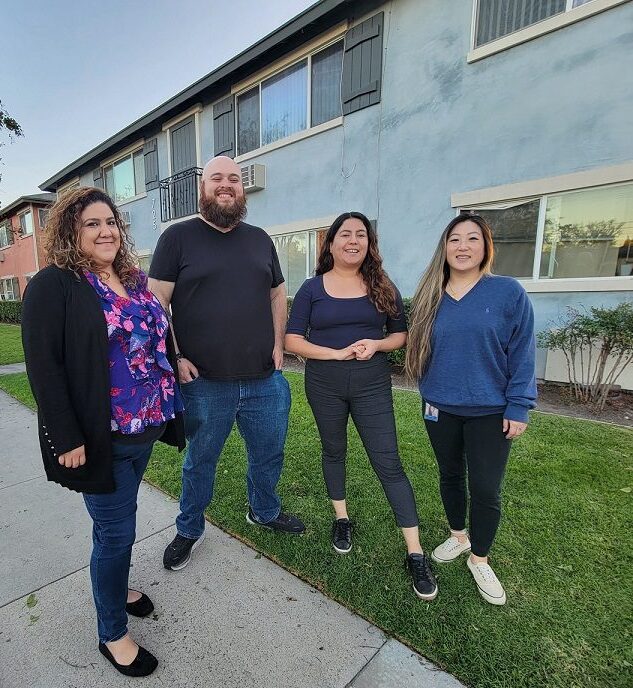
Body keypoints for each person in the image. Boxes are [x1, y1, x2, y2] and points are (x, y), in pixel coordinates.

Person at [21, 188, 185, 676]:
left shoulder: (132, 279)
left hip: (145, 430)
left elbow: (156, 335)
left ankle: (118, 586)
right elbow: (43, 367)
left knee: (121, 522)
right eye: (92, 223)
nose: (105, 231)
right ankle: (111, 632)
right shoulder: (55, 284)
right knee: (115, 533)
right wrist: (66, 436)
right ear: (72, 230)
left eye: (110, 222)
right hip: (102, 438)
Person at [149, 156, 305, 572]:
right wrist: (175, 355)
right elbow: (155, 302)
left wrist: (278, 345)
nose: (226, 185)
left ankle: (265, 511)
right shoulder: (177, 238)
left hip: (264, 379)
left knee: (269, 454)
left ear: (242, 189)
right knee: (200, 460)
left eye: (234, 179)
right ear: (203, 188)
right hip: (204, 383)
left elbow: (277, 294)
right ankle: (189, 528)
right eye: (217, 178)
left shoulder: (259, 239)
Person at [285, 212, 438, 601]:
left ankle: (415, 552)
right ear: (331, 243)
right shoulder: (311, 288)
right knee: (334, 450)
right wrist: (334, 355)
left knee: (388, 462)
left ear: (369, 244)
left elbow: (400, 334)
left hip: (371, 385)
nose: (353, 240)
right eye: (345, 234)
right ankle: (341, 518)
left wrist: (377, 344)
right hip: (324, 384)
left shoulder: (380, 284)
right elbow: (292, 340)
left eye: (361, 235)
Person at [405, 212, 536, 606]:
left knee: (485, 487)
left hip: (491, 410)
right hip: (439, 406)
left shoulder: (507, 292)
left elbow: (523, 352)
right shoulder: (431, 293)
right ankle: (458, 536)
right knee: (449, 474)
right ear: (444, 248)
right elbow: (420, 348)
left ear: (485, 247)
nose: (463, 247)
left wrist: (519, 405)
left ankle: (479, 556)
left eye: (472, 239)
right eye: (455, 240)